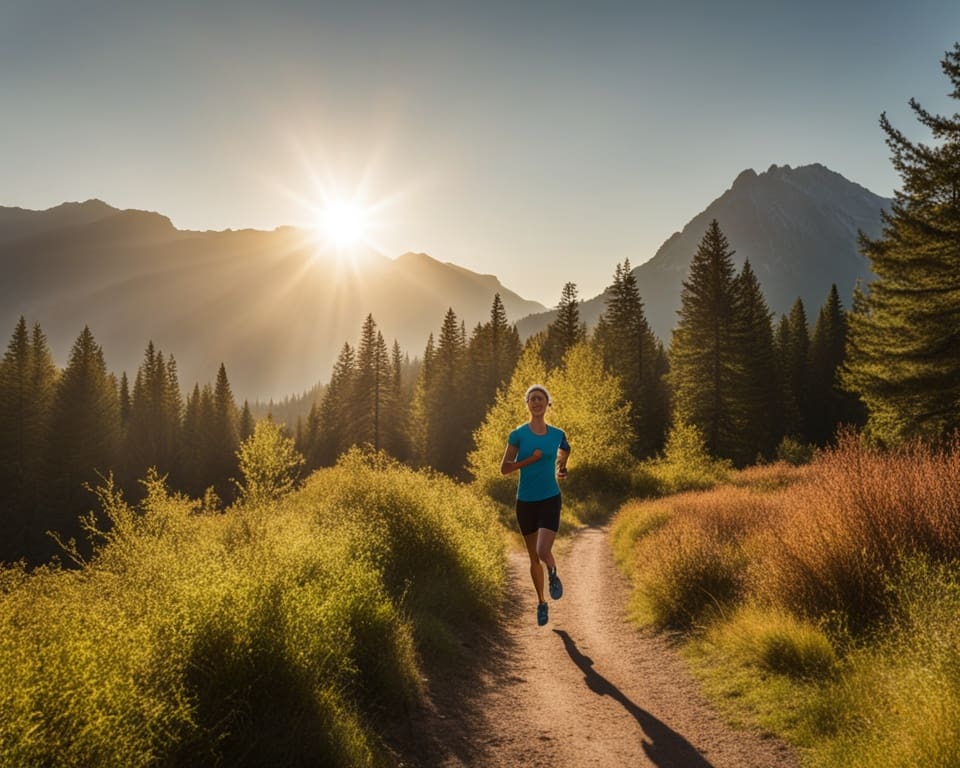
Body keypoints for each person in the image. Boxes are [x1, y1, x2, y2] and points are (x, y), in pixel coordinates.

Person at [501, 384, 570, 626]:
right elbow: (505, 468)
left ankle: (553, 573)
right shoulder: (518, 434)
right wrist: (530, 460)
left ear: (547, 403)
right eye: (532, 399)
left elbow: (564, 453)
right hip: (526, 502)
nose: (537, 402)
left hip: (550, 498)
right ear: (527, 404)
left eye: (541, 398)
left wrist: (562, 469)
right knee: (533, 558)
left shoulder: (557, 434)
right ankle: (541, 602)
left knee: (542, 551)